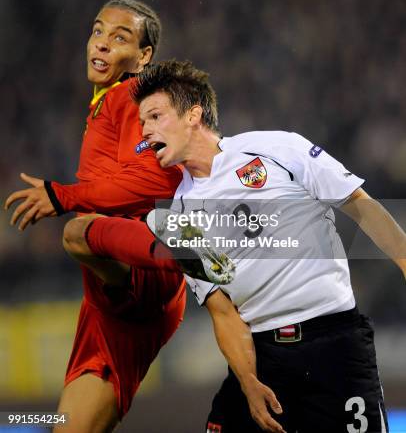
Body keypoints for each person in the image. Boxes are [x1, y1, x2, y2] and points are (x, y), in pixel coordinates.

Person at [37, 58, 405, 432]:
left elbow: (360, 206)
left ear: (193, 115)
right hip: (262, 356)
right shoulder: (174, 219)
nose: (145, 132)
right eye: (141, 122)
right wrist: (248, 382)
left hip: (335, 345)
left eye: (154, 117)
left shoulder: (276, 148)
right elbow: (223, 312)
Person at [5, 0, 186, 433]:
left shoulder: (137, 96)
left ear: (143, 57)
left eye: (120, 37)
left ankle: (191, 254)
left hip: (142, 276)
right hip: (104, 304)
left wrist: (65, 196)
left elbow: (161, 182)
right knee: (66, 426)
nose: (102, 43)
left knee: (77, 231)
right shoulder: (105, 102)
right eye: (98, 31)